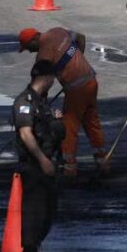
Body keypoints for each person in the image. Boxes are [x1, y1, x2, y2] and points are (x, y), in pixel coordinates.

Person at [19, 26, 108, 178]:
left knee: (68, 128)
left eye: (28, 47)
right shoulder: (57, 31)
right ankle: (103, 162)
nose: (29, 51)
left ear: (34, 39)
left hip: (76, 89)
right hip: (91, 81)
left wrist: (39, 102)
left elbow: (43, 81)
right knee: (92, 123)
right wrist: (79, 60)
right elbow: (81, 37)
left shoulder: (43, 55)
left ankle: (69, 169)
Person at [12, 60, 63, 252]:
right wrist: (42, 160)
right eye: (52, 78)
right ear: (46, 77)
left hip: (48, 162)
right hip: (34, 164)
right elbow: (26, 133)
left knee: (48, 210)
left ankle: (33, 251)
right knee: (35, 210)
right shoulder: (26, 101)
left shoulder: (42, 103)